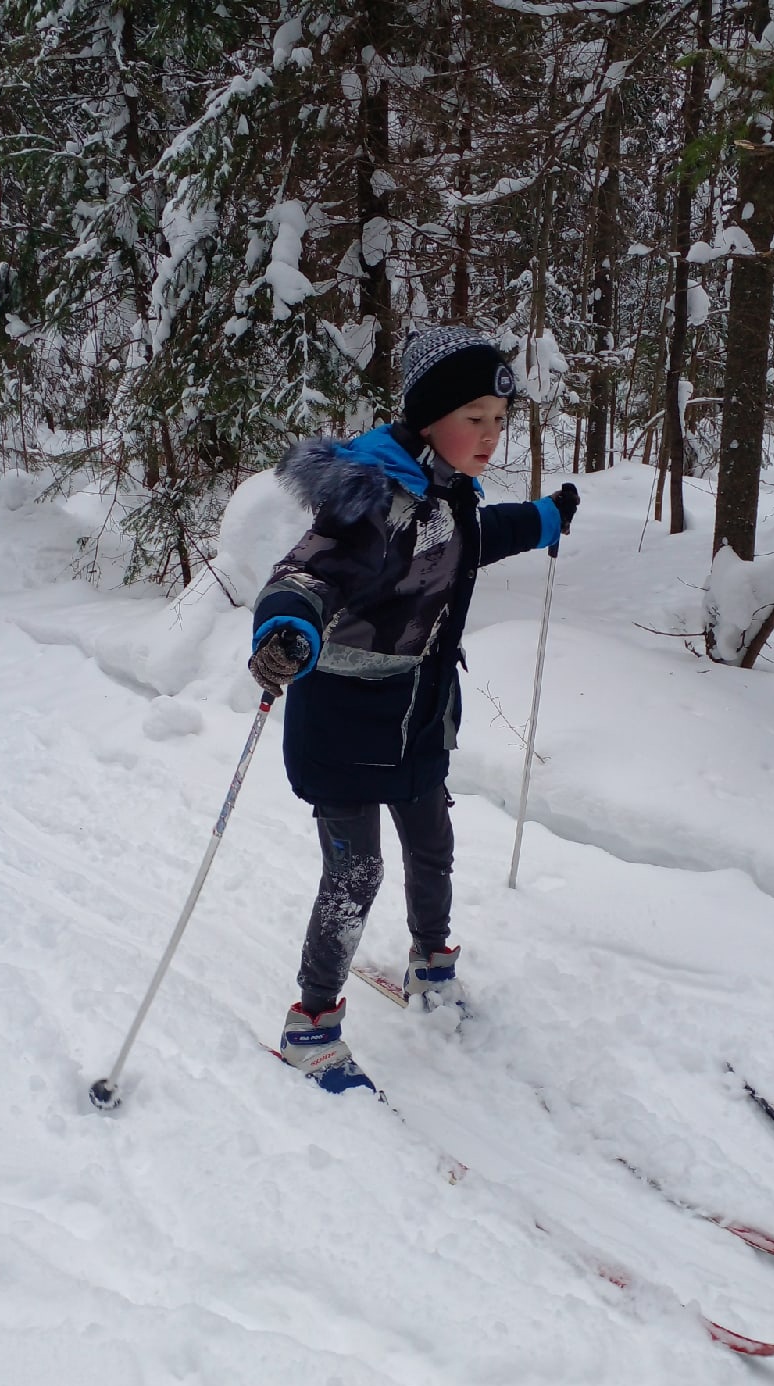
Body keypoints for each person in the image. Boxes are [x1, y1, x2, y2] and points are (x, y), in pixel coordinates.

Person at [249, 325, 579, 1090]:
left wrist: (543, 519)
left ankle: (433, 963)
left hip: (420, 717)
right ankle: (313, 1025)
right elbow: (307, 572)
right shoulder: (373, 503)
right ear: (430, 418)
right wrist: (286, 625)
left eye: (500, 419)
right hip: (343, 724)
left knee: (433, 845)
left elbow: (473, 537)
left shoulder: (447, 495)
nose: (491, 436)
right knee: (354, 875)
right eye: (475, 417)